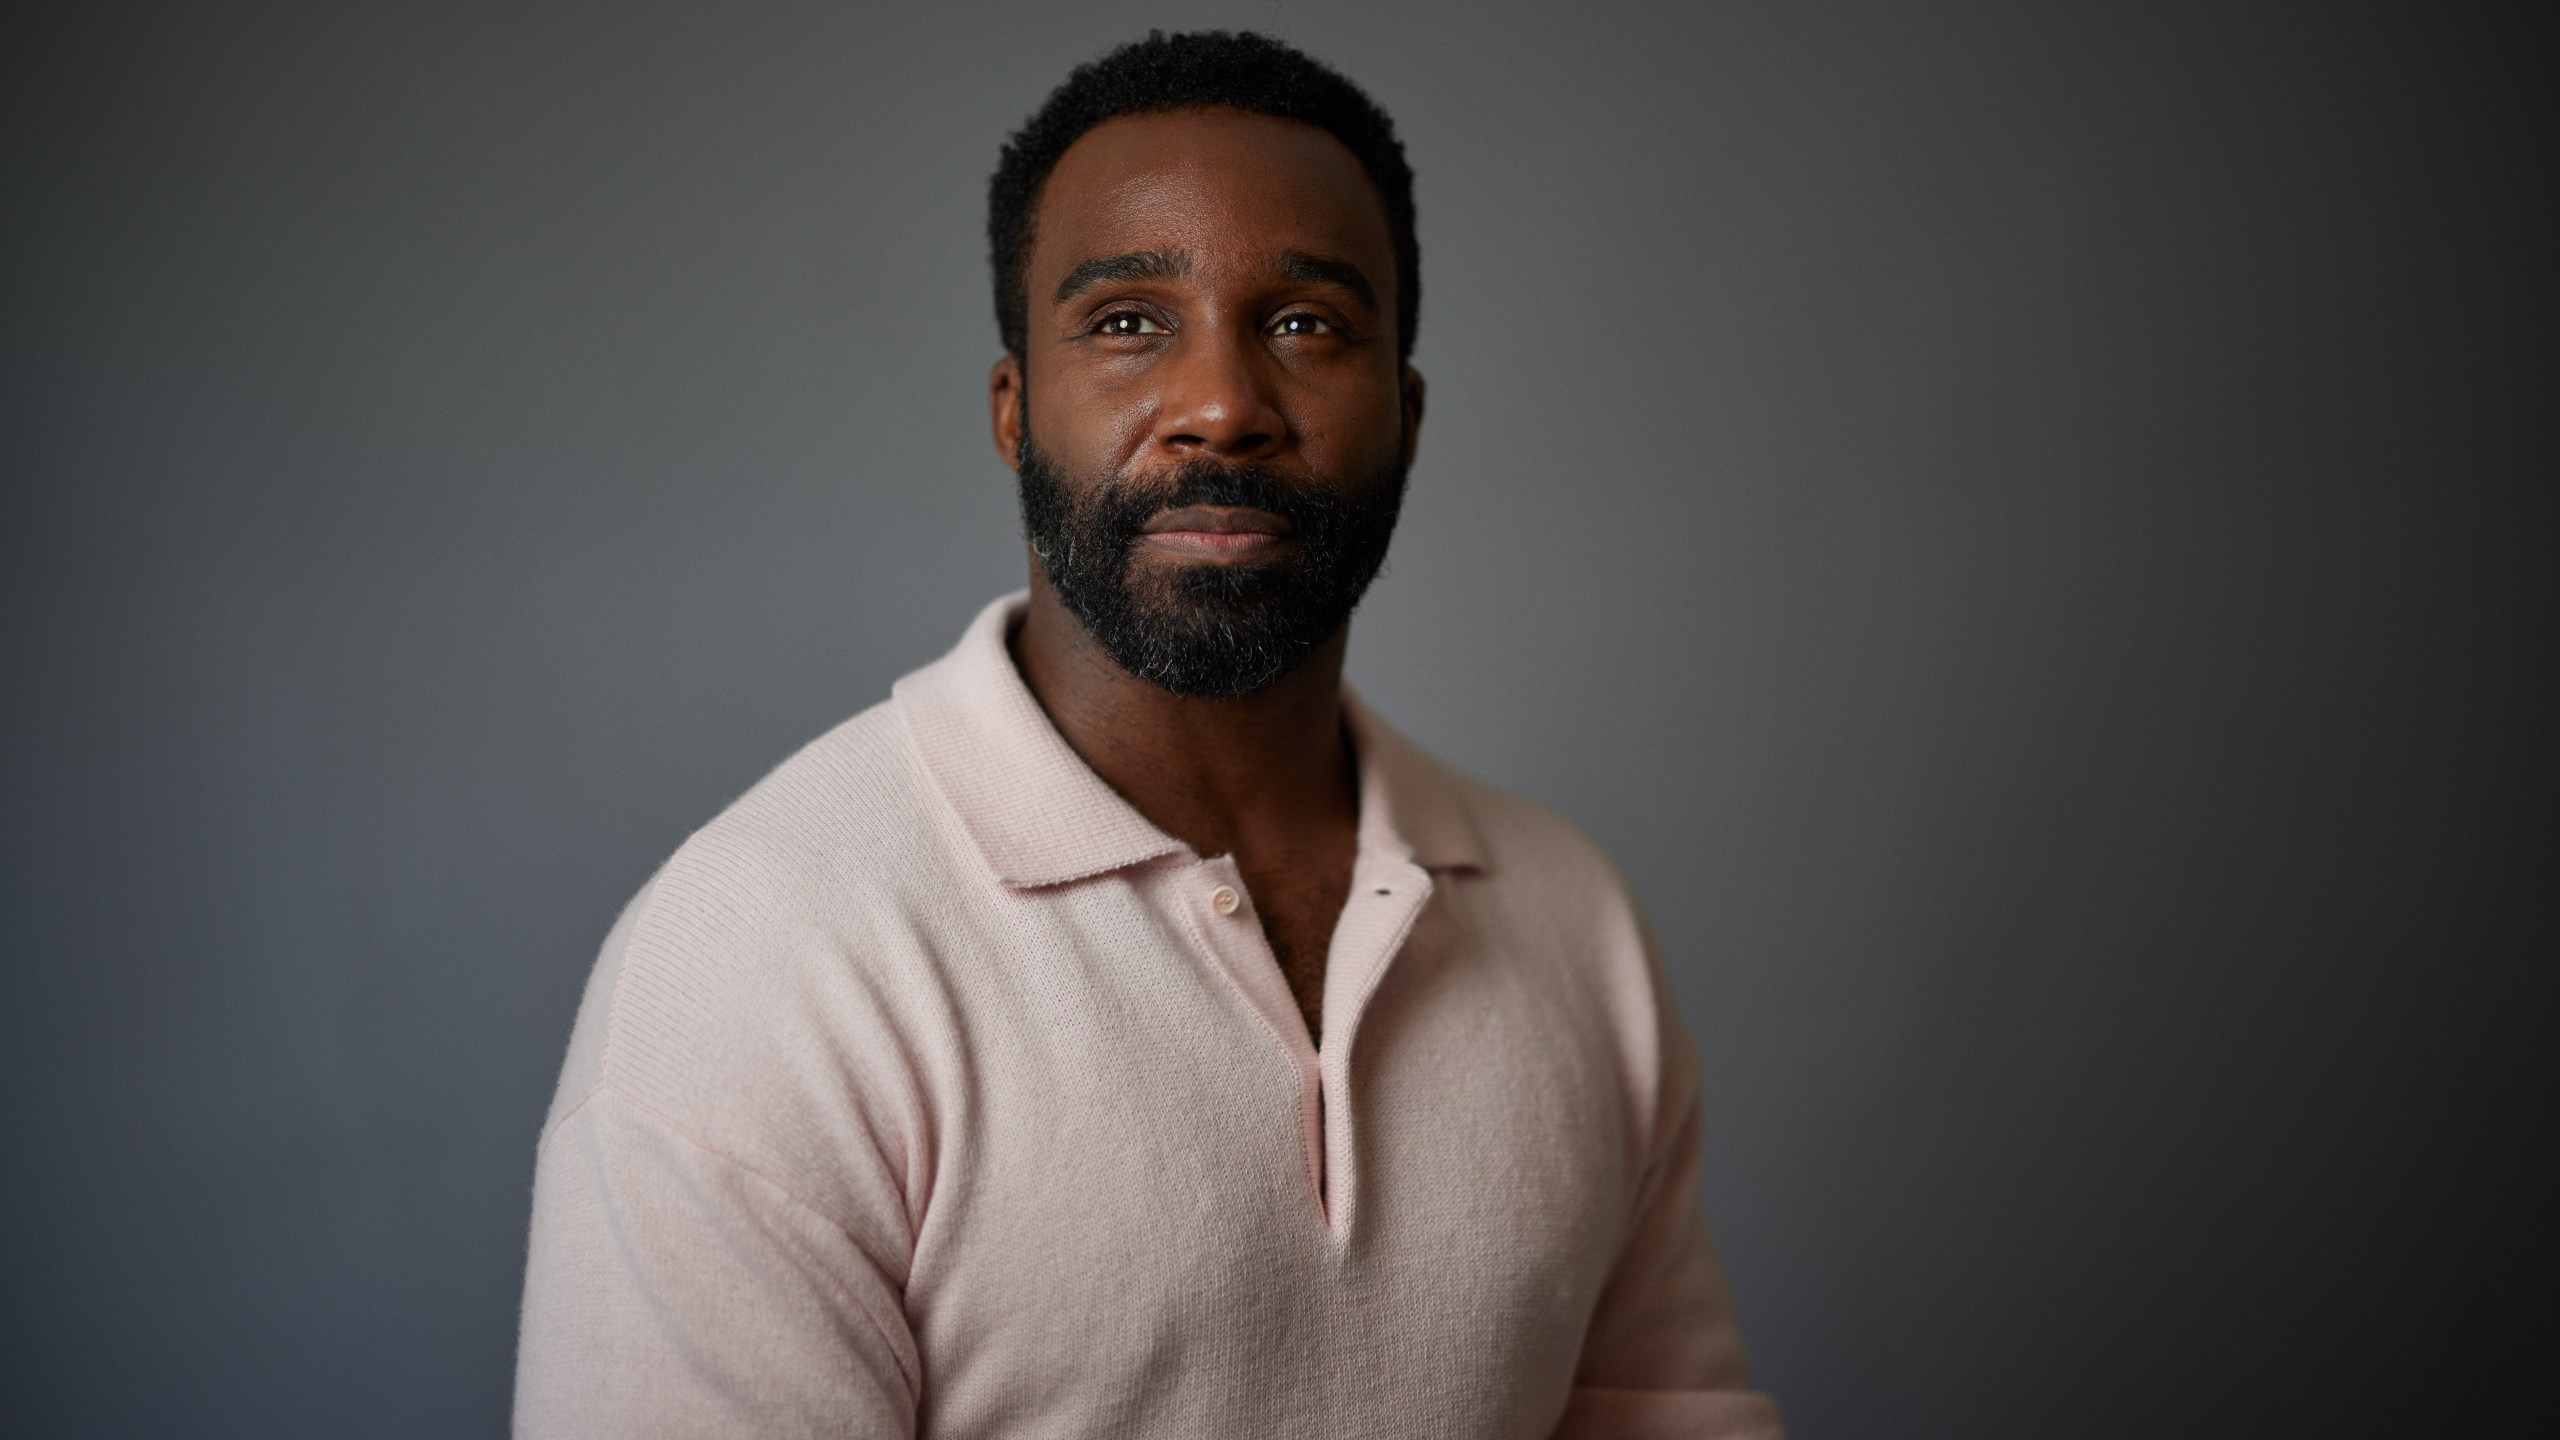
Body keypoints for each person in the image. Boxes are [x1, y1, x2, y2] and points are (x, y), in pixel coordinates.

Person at [514, 30, 1781, 1439]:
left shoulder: (1572, 914)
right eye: (1127, 321)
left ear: (1408, 417)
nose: (1223, 405)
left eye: (1306, 323)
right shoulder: (761, 956)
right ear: (1014, 412)